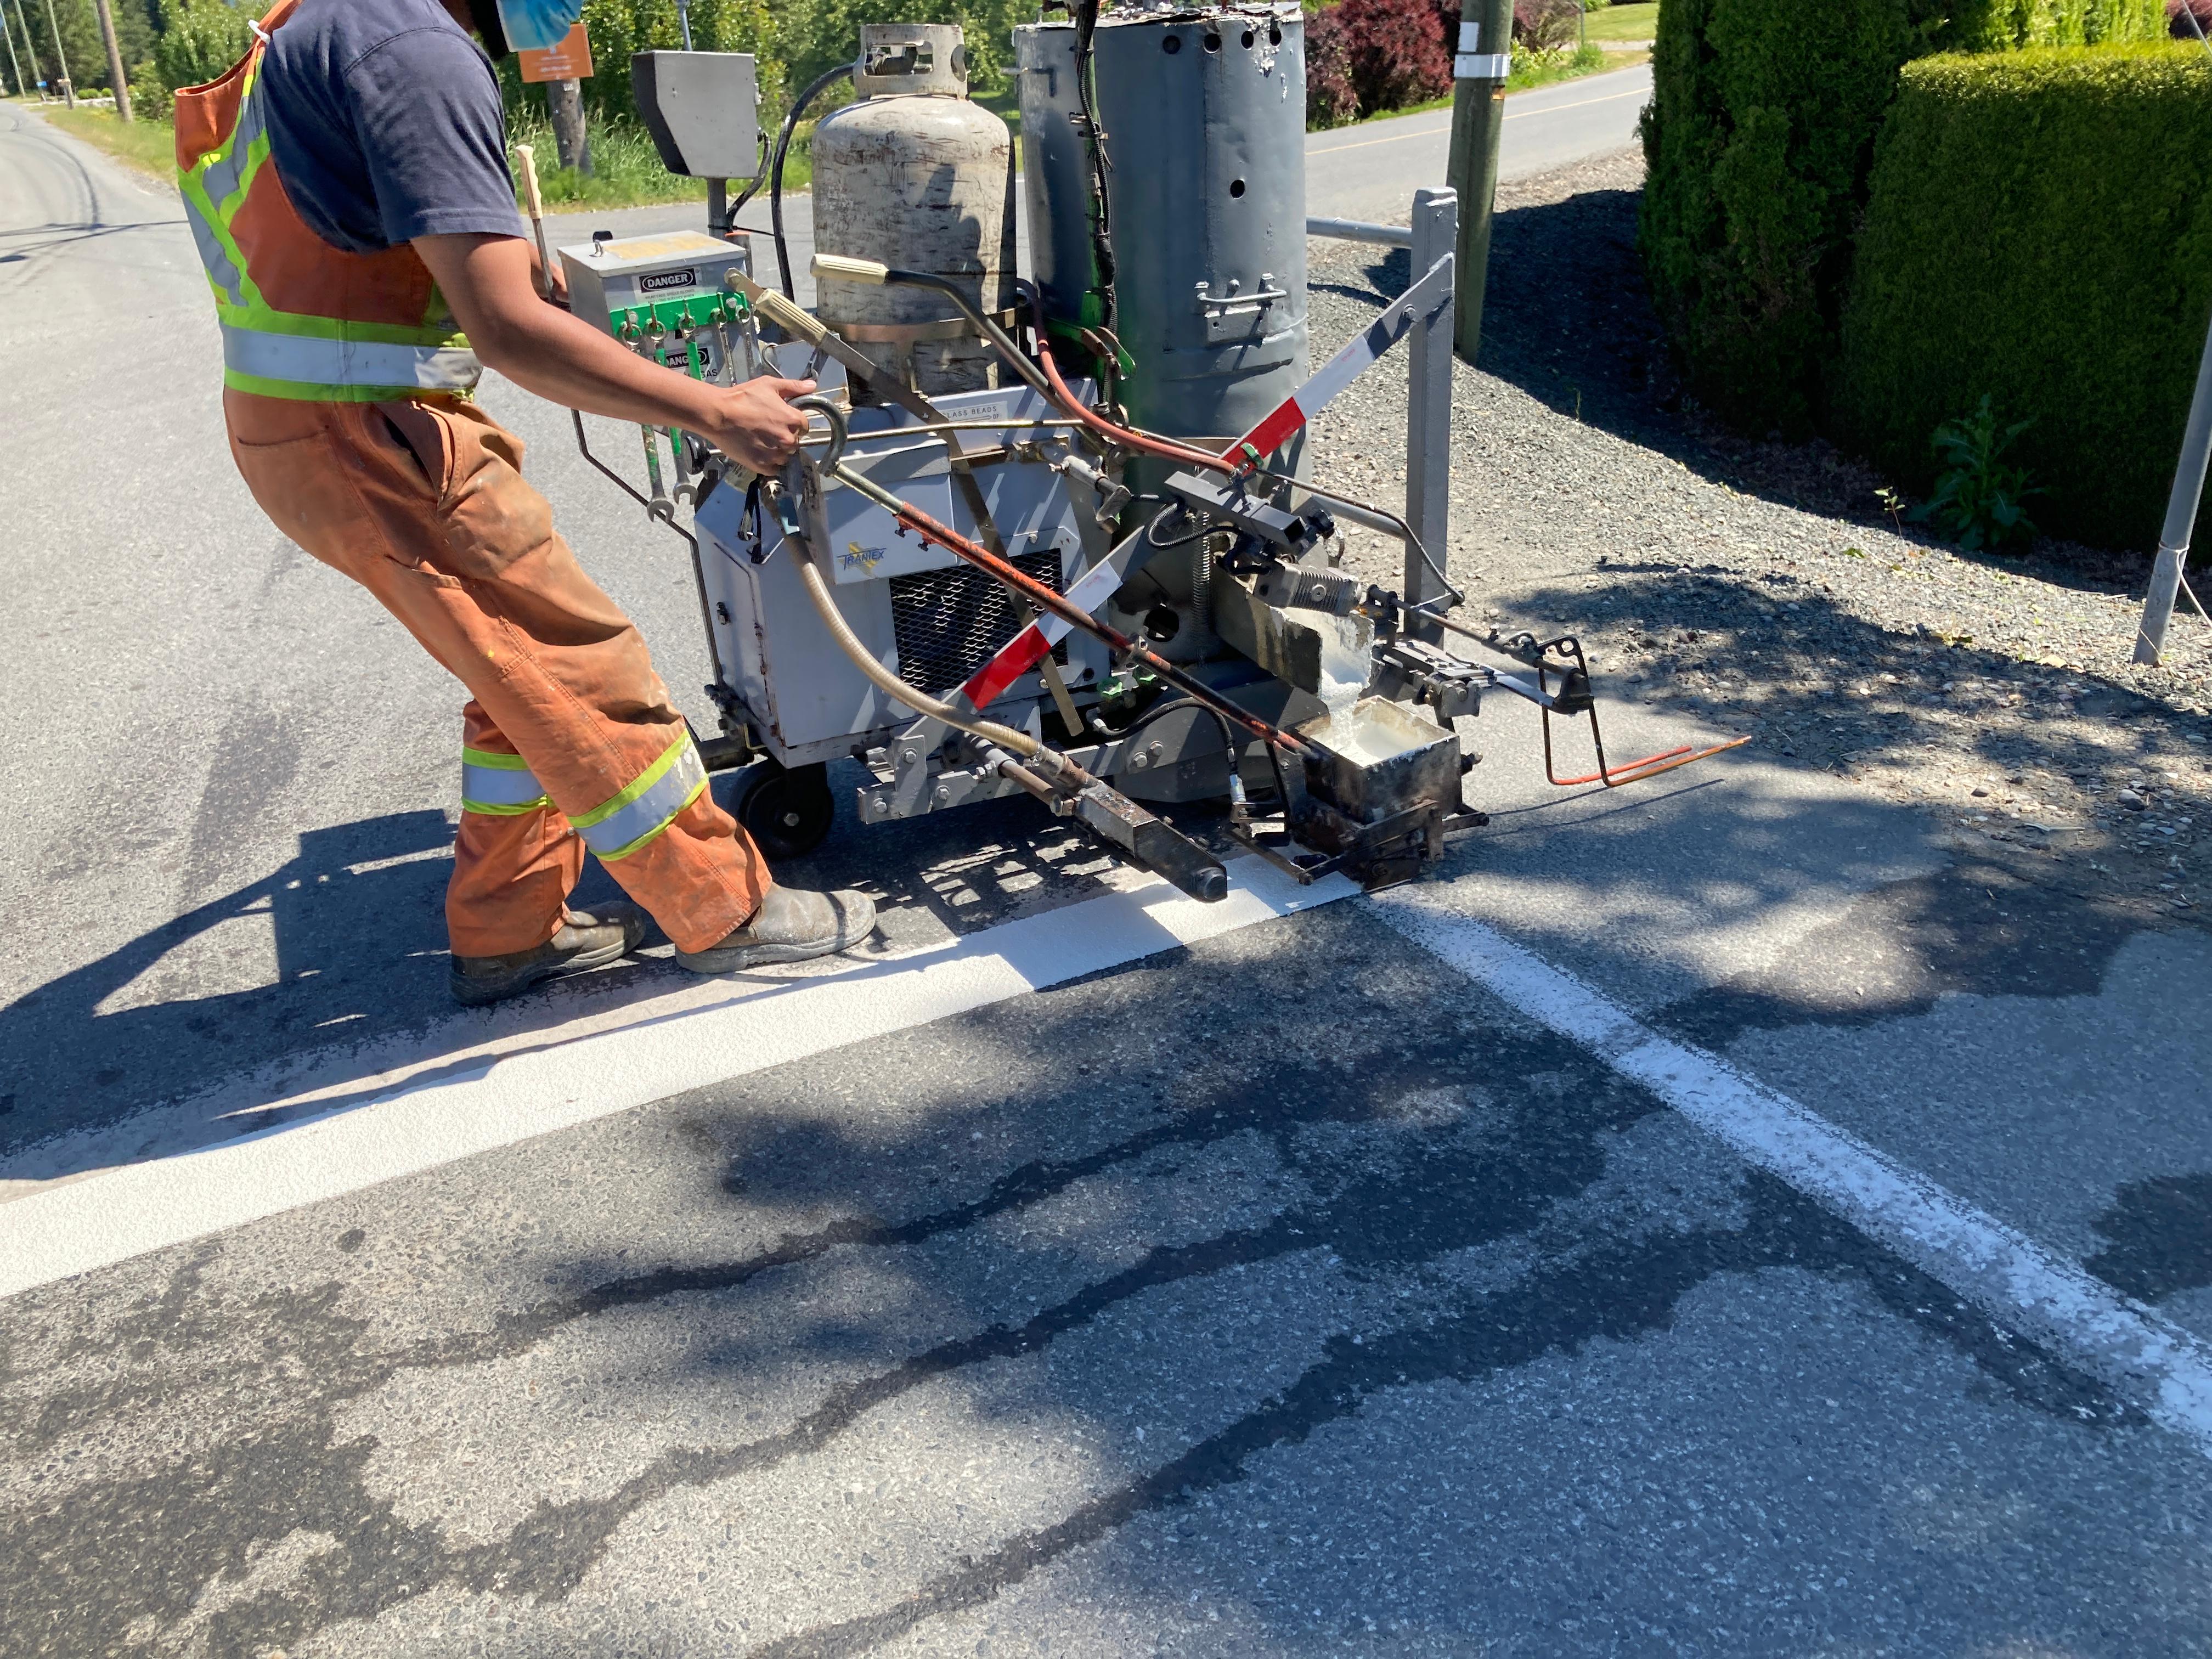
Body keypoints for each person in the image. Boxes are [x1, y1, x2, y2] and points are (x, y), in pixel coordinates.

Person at [173, 0, 875, 1007]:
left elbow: (376, 239)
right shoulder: (415, 50)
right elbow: (506, 328)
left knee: (515, 674)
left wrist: (489, 259)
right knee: (584, 665)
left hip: (305, 424)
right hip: (368, 435)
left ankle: (507, 930)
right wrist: (717, 410)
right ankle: (726, 909)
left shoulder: (323, 20)